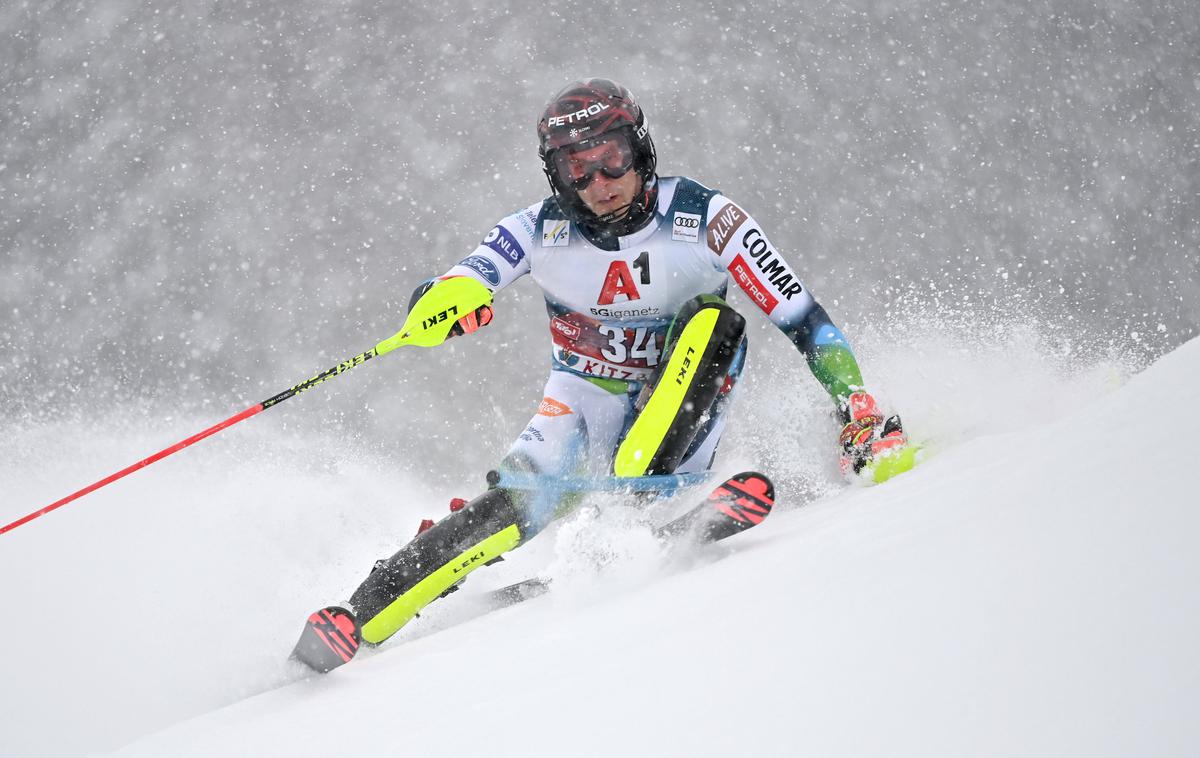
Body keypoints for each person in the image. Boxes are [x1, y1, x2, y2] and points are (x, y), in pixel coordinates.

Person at [342, 78, 908, 648]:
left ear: (638, 148)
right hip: (581, 400)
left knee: (713, 323)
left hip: (688, 394)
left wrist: (853, 404)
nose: (598, 184)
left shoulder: (707, 216)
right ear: (555, 175)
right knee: (511, 506)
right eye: (576, 170)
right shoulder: (537, 229)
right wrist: (443, 306)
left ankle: (622, 509)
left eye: (611, 159)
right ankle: (365, 613)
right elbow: (466, 275)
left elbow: (804, 317)